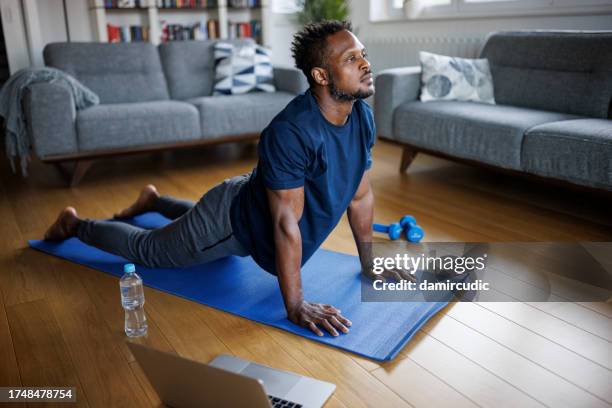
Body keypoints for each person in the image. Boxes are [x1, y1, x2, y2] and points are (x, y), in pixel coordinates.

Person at [45, 20, 405, 337]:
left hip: (250, 196)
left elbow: (359, 197)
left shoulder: (361, 116)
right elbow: (285, 224)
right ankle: (76, 224)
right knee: (150, 250)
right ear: (321, 76)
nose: (365, 64)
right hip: (231, 222)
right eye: (350, 59)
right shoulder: (292, 132)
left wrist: (371, 262)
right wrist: (296, 305)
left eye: (363, 54)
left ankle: (153, 202)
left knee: (191, 232)